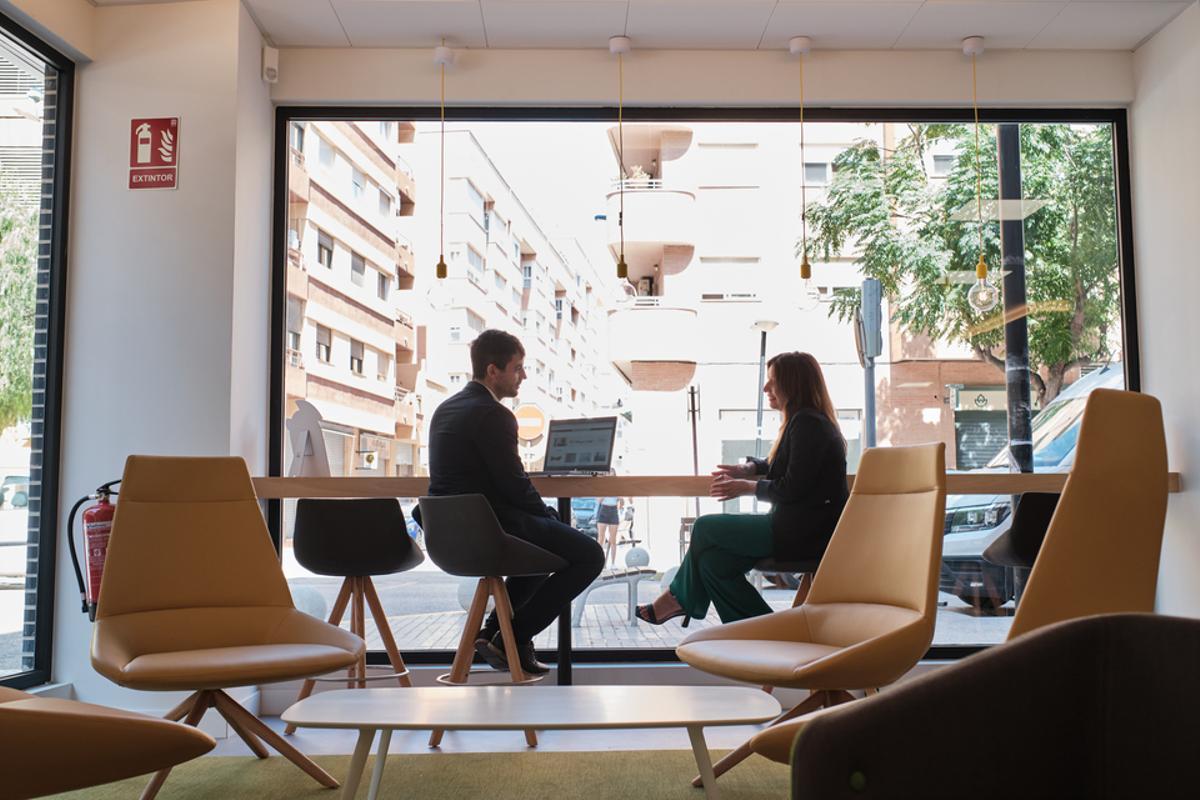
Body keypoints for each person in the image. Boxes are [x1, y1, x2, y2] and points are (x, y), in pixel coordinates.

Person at [426, 329, 605, 675]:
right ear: (493, 371)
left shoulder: (444, 409)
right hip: (488, 529)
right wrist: (550, 519)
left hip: (448, 534)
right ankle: (514, 635)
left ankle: (495, 633)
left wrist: (546, 522)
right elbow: (513, 484)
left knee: (542, 549)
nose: (523, 376)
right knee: (590, 555)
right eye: (518, 368)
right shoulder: (495, 414)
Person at [636, 352, 848, 626]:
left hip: (802, 535)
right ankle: (767, 631)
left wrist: (745, 487)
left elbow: (792, 488)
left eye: (773, 381)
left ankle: (677, 600)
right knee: (713, 564)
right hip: (798, 529)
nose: (765, 388)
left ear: (793, 384)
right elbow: (783, 465)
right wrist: (749, 468)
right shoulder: (807, 422)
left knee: (704, 527)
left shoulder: (808, 424)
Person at [596, 496, 624, 566]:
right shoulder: (602, 489)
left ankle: (613, 563)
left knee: (613, 539)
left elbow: (622, 504)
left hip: (614, 510)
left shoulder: (617, 489)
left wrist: (621, 499)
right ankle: (599, 562)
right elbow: (599, 500)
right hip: (603, 510)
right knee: (601, 538)